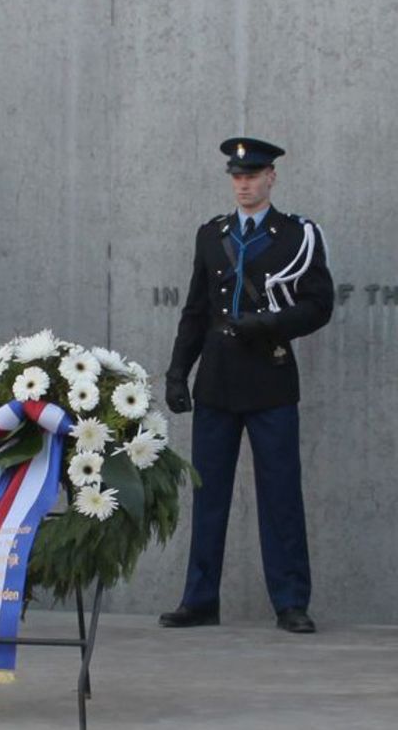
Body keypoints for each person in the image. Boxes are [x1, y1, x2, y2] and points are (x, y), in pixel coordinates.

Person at [159, 137, 333, 634]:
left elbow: (320, 304)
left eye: (253, 175)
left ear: (271, 177)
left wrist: (273, 325)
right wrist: (178, 371)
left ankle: (291, 602)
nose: (244, 184)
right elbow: (195, 310)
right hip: (216, 380)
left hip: (271, 379)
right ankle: (200, 600)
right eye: (237, 176)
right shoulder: (210, 235)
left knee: (280, 496)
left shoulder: (296, 235)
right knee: (208, 495)